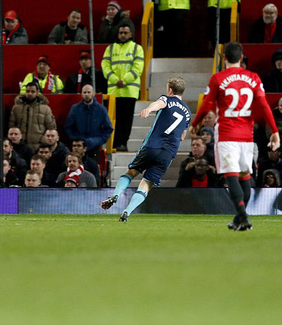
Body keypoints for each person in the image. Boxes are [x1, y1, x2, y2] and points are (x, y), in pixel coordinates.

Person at [189, 42, 280, 231]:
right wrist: (275, 131)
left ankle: (243, 216)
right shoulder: (253, 78)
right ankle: (240, 219)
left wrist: (194, 123)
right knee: (245, 176)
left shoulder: (218, 78)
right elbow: (264, 105)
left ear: (223, 58)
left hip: (227, 134)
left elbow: (206, 105)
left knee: (231, 176)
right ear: (241, 58)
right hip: (247, 137)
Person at [102, 77, 191, 222]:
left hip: (153, 145)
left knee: (131, 172)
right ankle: (127, 212)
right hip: (168, 153)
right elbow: (182, 136)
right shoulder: (187, 111)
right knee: (147, 183)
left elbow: (158, 104)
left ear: (170, 90)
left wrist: (149, 109)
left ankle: (116, 194)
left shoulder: (167, 99)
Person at [102, 23, 144, 152]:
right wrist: (115, 80)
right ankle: (113, 143)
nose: (123, 35)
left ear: (130, 34)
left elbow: (138, 68)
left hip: (129, 90)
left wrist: (124, 81)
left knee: (126, 120)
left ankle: (122, 143)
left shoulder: (137, 48)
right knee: (114, 119)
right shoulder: (110, 48)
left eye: (125, 33)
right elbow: (105, 65)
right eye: (121, 33)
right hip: (114, 90)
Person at [64, 84, 113, 156]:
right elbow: (68, 127)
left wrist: (98, 141)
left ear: (93, 94)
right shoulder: (75, 109)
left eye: (89, 92)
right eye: (84, 92)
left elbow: (108, 129)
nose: (86, 94)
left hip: (94, 147)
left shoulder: (101, 109)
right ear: (81, 94)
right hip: (78, 148)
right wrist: (75, 139)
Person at [9, 81, 57, 151]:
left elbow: (51, 128)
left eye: (33, 91)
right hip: (19, 146)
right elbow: (11, 126)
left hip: (39, 147)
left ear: (37, 92)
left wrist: (43, 140)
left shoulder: (45, 109)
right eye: (28, 91)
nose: (30, 94)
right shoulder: (16, 108)